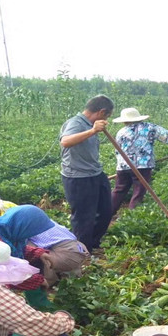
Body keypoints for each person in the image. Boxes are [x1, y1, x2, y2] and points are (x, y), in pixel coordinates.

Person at [0, 198, 90, 288]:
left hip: (68, 254)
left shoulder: (19, 226)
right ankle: (64, 277)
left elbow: (18, 256)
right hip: (78, 249)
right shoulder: (27, 215)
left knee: (20, 249)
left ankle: (49, 280)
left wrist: (33, 276)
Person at [60, 95, 115, 253]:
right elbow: (65, 141)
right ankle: (82, 251)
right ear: (101, 112)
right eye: (107, 116)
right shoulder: (76, 123)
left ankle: (93, 244)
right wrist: (92, 131)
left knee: (105, 211)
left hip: (95, 173)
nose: (107, 120)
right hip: (78, 177)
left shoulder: (90, 124)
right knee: (84, 217)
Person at [110, 107, 168, 214]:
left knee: (119, 190)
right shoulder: (149, 127)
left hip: (123, 166)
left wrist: (123, 165)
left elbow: (117, 150)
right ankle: (132, 216)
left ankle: (106, 215)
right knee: (139, 191)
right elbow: (165, 135)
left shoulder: (121, 132)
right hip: (142, 166)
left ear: (125, 121)